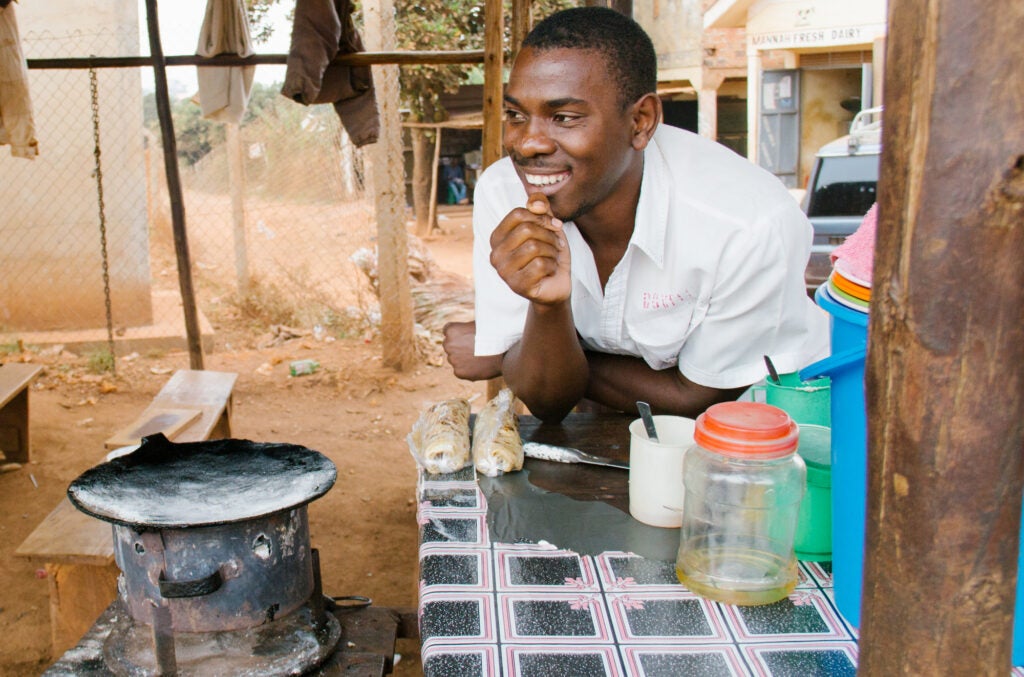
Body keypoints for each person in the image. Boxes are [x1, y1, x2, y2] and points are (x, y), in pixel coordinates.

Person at [442, 7, 829, 423]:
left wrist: (512, 355)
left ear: (641, 122)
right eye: (516, 115)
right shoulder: (507, 191)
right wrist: (548, 310)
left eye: (564, 118)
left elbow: (699, 398)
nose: (529, 143)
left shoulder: (745, 224)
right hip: (606, 425)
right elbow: (547, 399)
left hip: (764, 438)